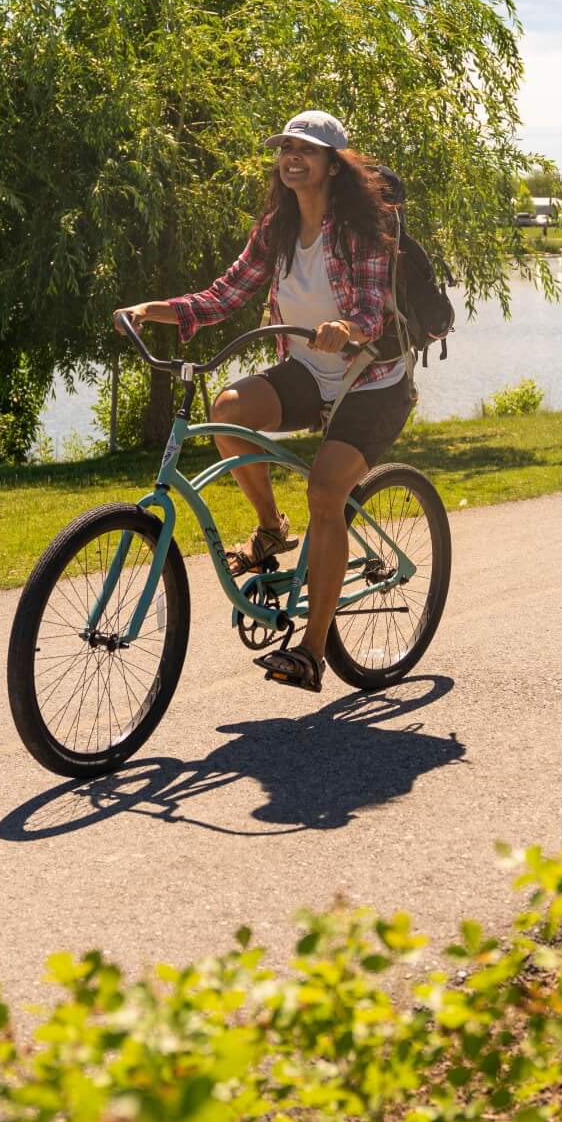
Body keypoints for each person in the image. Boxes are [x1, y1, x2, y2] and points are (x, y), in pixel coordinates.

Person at [116, 110, 414, 693]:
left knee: (327, 492)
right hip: (309, 369)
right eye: (285, 148)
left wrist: (345, 328)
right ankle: (270, 530)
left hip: (372, 381)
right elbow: (226, 293)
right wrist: (158, 309)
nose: (291, 156)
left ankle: (309, 652)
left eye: (306, 149)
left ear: (332, 164)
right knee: (226, 408)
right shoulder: (276, 229)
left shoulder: (360, 228)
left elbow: (372, 310)